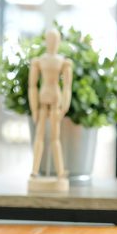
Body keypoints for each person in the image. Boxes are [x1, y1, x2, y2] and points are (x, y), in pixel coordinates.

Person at [28, 27, 72, 190]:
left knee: (55, 138)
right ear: (46, 41)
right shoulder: (39, 61)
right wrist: (33, 108)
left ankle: (60, 171)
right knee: (39, 137)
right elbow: (32, 86)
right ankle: (34, 170)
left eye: (55, 40)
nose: (52, 43)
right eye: (50, 40)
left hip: (55, 101)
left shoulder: (63, 62)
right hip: (43, 101)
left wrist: (64, 106)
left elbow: (67, 86)